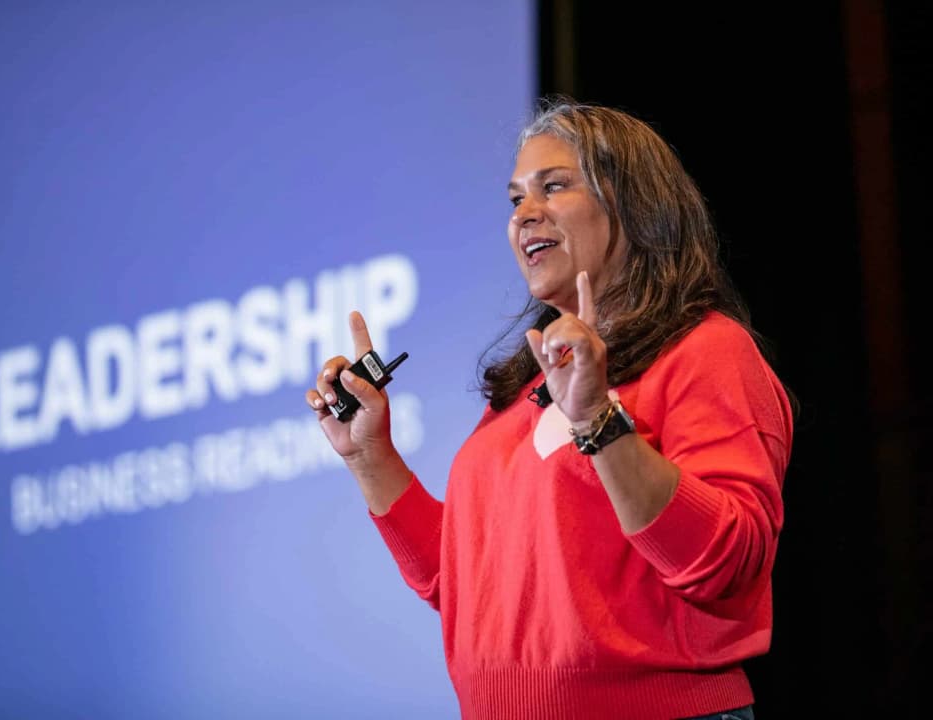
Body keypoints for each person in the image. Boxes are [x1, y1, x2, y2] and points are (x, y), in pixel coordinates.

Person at [305, 99, 793, 720]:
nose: (523, 214)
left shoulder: (706, 351)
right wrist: (371, 455)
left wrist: (598, 421)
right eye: (515, 199)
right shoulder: (524, 392)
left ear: (634, 203)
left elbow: (726, 562)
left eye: (554, 186)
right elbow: (463, 586)